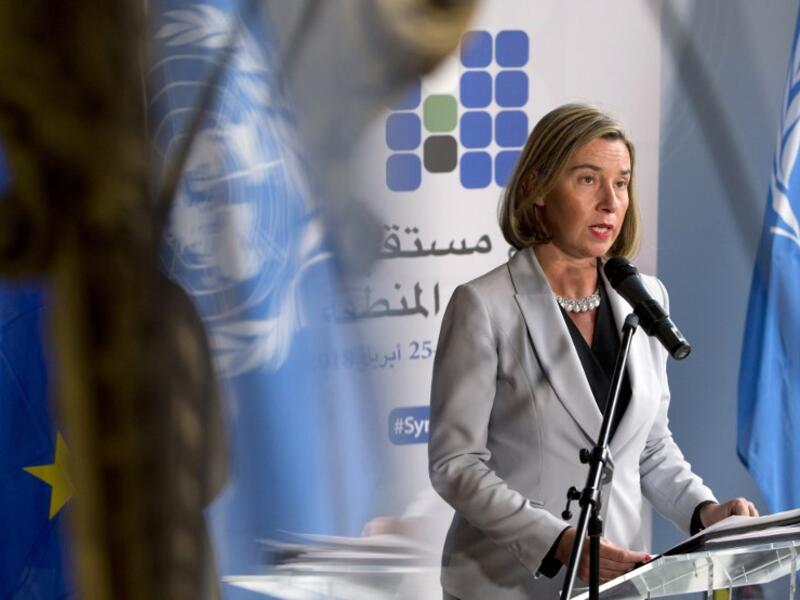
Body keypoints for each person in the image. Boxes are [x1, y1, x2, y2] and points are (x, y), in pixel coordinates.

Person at [428, 103, 758, 600]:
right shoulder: (484, 305)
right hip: (504, 585)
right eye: (588, 180)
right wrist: (558, 542)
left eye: (621, 183)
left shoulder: (646, 297)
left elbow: (647, 446)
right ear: (538, 189)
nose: (610, 201)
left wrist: (703, 512)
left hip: (616, 582)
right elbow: (456, 464)